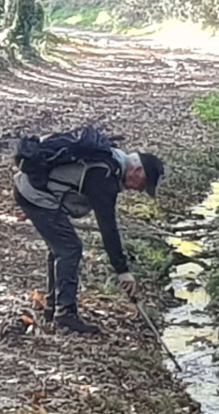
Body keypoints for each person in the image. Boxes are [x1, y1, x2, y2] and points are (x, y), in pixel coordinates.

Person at [13, 139, 165, 334]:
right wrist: (123, 271)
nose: (139, 190)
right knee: (70, 249)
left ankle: (53, 306)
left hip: (33, 192)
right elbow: (107, 226)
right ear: (136, 172)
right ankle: (65, 313)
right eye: (143, 185)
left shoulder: (111, 161)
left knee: (60, 248)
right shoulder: (105, 175)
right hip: (34, 195)